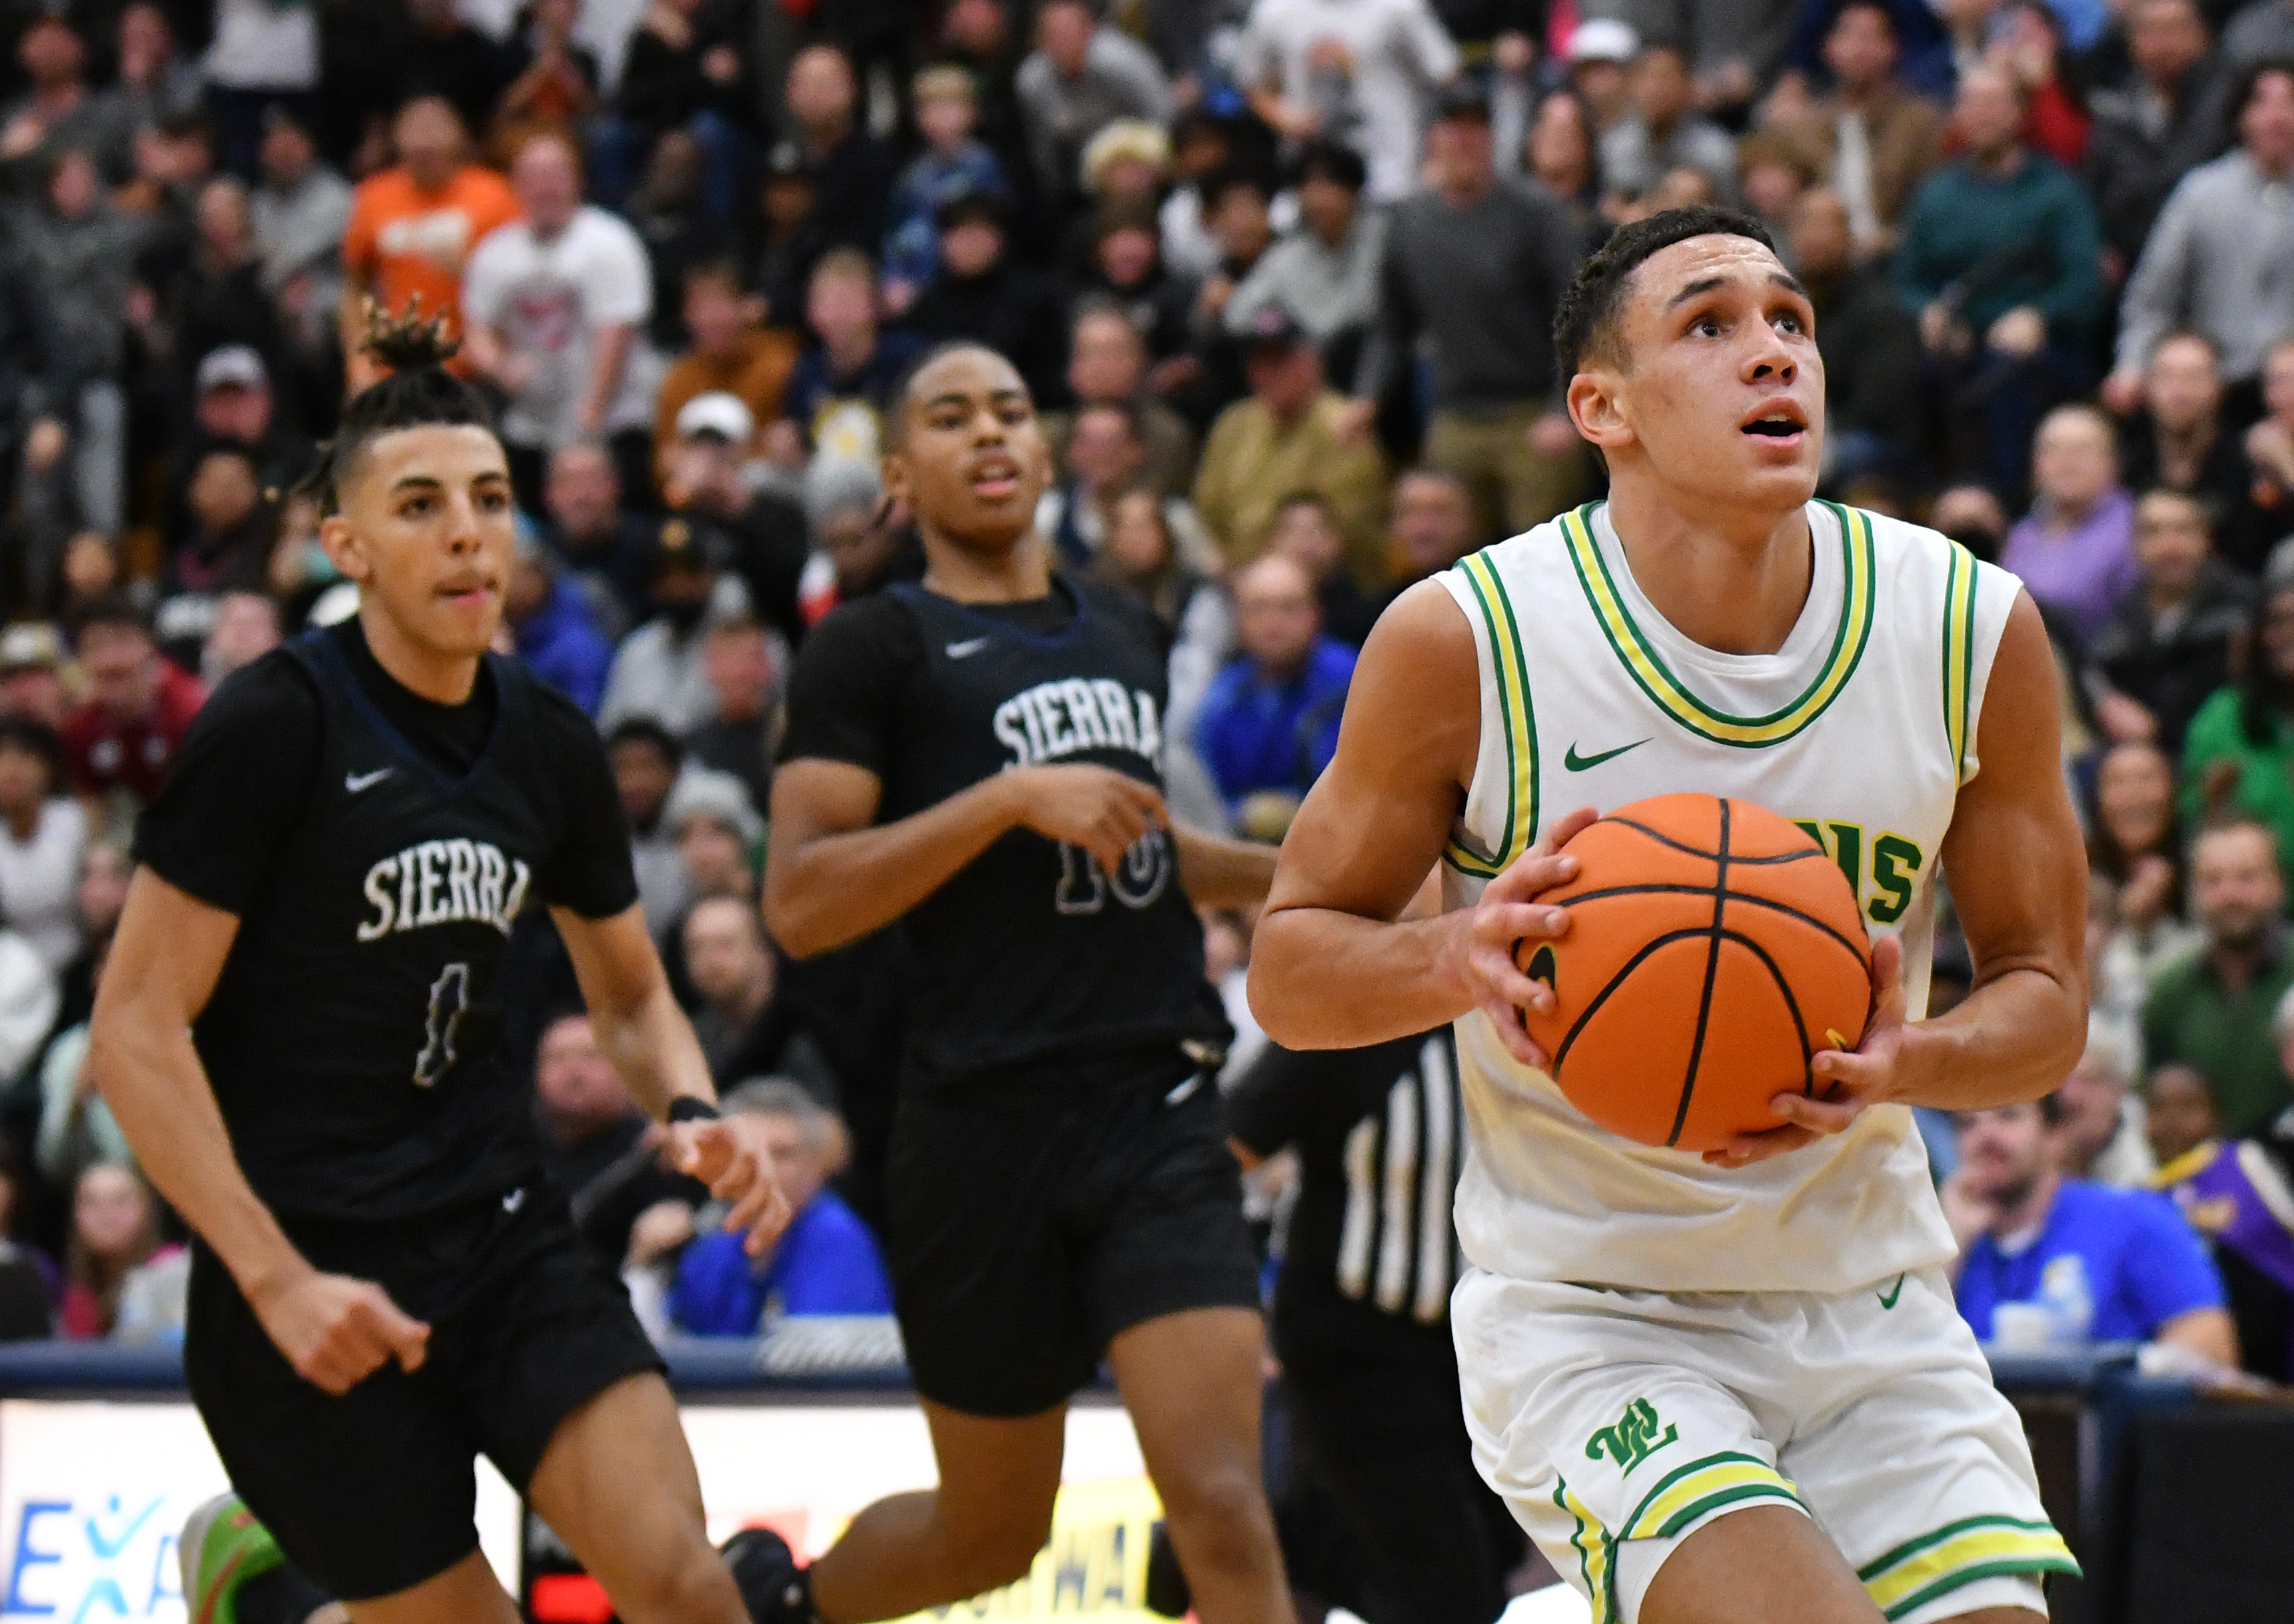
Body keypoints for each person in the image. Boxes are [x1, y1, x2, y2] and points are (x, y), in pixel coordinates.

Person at [1249, 206, 2088, 1624]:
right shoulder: (1469, 639)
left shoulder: (1964, 626)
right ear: (1601, 408)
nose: (1769, 353)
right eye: (1707, 324)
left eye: (1787, 321)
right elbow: (1286, 970)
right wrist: (1455, 951)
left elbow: (2044, 999)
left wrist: (1912, 1059)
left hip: (1868, 1302)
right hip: (1593, 1311)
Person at [88, 308, 796, 1624]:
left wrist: (690, 1105)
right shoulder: (274, 725)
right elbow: (132, 1032)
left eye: (488, 496)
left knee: (690, 1589)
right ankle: (268, 1593)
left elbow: (632, 991)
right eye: (418, 504)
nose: (467, 529)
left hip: (500, 1232)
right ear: (345, 545)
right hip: (302, 1264)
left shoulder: (550, 738)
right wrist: (274, 1275)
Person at [758, 340, 1291, 1624]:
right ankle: (782, 1606)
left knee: (1220, 1496)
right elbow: (799, 900)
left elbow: (1143, 845)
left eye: (1009, 410)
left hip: (1151, 1101)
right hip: (976, 1122)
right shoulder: (870, 649)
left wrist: (1292, 872)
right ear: (898, 471)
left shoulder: (1124, 624)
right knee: (991, 1534)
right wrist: (1000, 803)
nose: (988, 433)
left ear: (1047, 454)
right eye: (949, 417)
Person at [1226, 1025, 1526, 1624]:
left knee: (1491, 1559)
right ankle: (1287, 1550)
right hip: (1353, 1341)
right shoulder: (1354, 1020)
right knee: (1447, 1585)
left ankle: (1298, 1550)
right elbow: (1227, 1142)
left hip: (1475, 1352)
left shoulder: (1509, 1020)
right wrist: (1228, 1300)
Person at [1349, 82, 1588, 541]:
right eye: (1452, 128)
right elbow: (1392, 326)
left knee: (1538, 549)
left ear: (1490, 138)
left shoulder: (1537, 214)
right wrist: (1367, 396)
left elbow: (1578, 318)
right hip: (1454, 413)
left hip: (1529, 412)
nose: (1464, 140)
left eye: (1475, 128)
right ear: (1433, 138)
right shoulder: (1409, 224)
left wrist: (1561, 410)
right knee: (1449, 555)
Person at [1892, 65, 2104, 500]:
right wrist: (1927, 310)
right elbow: (1904, 281)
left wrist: (2039, 314)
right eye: (1970, 102)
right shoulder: (1936, 193)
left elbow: (2085, 283)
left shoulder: (2056, 192)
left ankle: (2006, 506)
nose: (1981, 114)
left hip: (2034, 349)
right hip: (1954, 340)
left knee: (2005, 379)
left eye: (1993, 103)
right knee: (1907, 378)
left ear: (2020, 113)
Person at [1944, 1098, 2235, 1360]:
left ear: (2054, 1135)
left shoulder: (2133, 1218)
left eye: (2008, 1116)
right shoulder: (1955, 1244)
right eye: (1967, 1124)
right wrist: (1950, 1242)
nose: (1986, 1136)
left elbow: (2211, 1348)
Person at [461, 132, 660, 506]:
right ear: (516, 185)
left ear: (576, 179)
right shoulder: (495, 253)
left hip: (612, 423)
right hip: (534, 423)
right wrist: (501, 365)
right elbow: (477, 331)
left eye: (555, 175)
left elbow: (615, 336)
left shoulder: (609, 243)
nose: (545, 188)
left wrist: (586, 425)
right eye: (533, 177)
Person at [2107, 61, 2294, 412]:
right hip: (2216, 381)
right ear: (2241, 117)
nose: (2278, 117)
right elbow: (2152, 300)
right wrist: (2131, 366)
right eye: (2262, 103)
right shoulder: (2202, 193)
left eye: (2289, 102)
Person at [670, 1079, 891, 1332]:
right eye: (755, 1154)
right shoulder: (714, 1248)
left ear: (817, 1164)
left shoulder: (838, 1240)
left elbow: (810, 1363)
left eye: (783, 1154)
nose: (768, 1171)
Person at [1193, 308, 1388, 587]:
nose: (1268, 374)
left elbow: (1347, 528)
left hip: (1327, 585)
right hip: (1240, 582)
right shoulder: (1234, 424)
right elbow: (1208, 510)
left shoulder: (1344, 425)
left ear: (1313, 363)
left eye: (1281, 362)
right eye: (1259, 363)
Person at [336, 97, 519, 391]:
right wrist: (358, 362)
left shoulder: (494, 194)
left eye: (436, 129)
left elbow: (522, 277)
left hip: (475, 369)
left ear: (458, 136)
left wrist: (471, 268)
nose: (425, 141)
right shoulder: (374, 196)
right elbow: (354, 288)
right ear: (397, 139)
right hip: (396, 371)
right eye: (415, 130)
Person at [2143, 817, 2294, 1136]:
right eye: (2213, 880)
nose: (2230, 895)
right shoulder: (2169, 993)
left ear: (2279, 884)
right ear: (2193, 892)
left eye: (2247, 878)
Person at [2149, 1059, 2294, 1380]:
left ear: (2215, 1116)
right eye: (2158, 1108)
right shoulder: (2141, 1193)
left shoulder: (2245, 1164)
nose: (2171, 1122)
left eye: (2188, 1108)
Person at [1235, 0, 1461, 203]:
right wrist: (1282, 116)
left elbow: (1448, 79)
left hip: (1394, 167)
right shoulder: (1275, 11)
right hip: (1311, 175)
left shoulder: (1400, 7)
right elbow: (1252, 81)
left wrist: (1439, 159)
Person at [1195, 554, 1357, 837]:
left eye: (1289, 607)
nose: (1274, 622)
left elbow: (1356, 794)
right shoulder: (1223, 694)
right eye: (1259, 608)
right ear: (1238, 618)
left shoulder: (1351, 680)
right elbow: (1208, 798)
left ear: (1315, 615)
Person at [532, 1010, 703, 1274]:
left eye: (591, 1056)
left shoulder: (656, 1153)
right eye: (558, 1059)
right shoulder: (516, 1157)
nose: (573, 1071)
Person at [1767, 2, 1946, 254]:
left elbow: (1933, 205)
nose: (1860, 48)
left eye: (1872, 37)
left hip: (1895, 256)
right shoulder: (1803, 127)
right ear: (1828, 48)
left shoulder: (1920, 122)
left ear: (1894, 48)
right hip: (1818, 257)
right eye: (1849, 35)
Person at [2083, 488, 2253, 754]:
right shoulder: (2117, 625)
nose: (2169, 546)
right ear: (2134, 544)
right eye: (2153, 532)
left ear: (2206, 539)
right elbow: (2095, 681)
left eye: (2183, 530)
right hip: (2145, 761)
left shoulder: (2243, 613)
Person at [2081, 0, 2234, 277]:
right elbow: (2097, 189)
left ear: (2203, 36)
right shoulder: (2116, 106)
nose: (2163, 44)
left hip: (2219, 257)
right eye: (2150, 31)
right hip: (2136, 260)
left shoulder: (2229, 102)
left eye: (2174, 30)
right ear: (2131, 42)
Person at [1788, 187, 1923, 486]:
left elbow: (1880, 407)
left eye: (1824, 226)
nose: (1813, 238)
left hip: (1872, 441)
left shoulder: (1879, 308)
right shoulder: (1783, 307)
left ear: (1849, 237)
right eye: (1804, 224)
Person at [1224, 140, 1387, 375]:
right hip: (1314, 371)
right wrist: (1280, 325)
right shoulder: (1288, 254)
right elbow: (1237, 316)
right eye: (1306, 187)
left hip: (1377, 361)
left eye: (1327, 185)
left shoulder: (1383, 239)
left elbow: (1364, 309)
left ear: (1353, 191)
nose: (1316, 198)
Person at [1013, 0, 1172, 216]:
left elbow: (1162, 113)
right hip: (1081, 172)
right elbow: (1043, 148)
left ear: (1090, 31)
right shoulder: (1032, 82)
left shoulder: (1122, 62)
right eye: (1053, 36)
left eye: (1070, 33)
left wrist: (1157, 167)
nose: (1063, 43)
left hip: (1140, 155)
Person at [652, 260, 800, 490]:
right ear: (687, 316)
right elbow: (664, 458)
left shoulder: (779, 363)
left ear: (746, 308)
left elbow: (787, 444)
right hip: (697, 493)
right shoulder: (680, 378)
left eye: (722, 305)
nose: (713, 319)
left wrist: (738, 459)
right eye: (702, 308)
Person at [60, 596, 205, 830]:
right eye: (96, 646)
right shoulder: (80, 728)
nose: (110, 661)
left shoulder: (190, 713)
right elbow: (93, 814)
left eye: (122, 643)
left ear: (151, 653)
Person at [2114, 332, 2259, 566]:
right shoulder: (2123, 463)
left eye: (2194, 377)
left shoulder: (2247, 464)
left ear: (2218, 387)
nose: (2179, 389)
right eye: (2167, 376)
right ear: (2148, 386)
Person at [1998, 406, 2138, 645]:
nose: (2066, 463)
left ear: (2112, 463)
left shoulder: (2136, 531)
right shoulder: (2022, 533)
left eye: (2081, 451)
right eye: (2052, 450)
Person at [2182, 570, 2294, 866]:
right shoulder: (2222, 718)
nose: (2291, 633)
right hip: (2245, 898)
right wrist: (2210, 803)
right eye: (2279, 622)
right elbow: (2190, 818)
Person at [881, 63, 1010, 312]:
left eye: (951, 106)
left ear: (972, 112)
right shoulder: (913, 176)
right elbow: (898, 234)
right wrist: (894, 279)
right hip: (918, 286)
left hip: (965, 284)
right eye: (931, 107)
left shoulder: (984, 167)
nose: (941, 116)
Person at [1045, 300, 1197, 498]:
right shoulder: (1048, 437)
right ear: (1072, 366)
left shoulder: (1168, 438)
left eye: (1115, 352)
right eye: (1091, 353)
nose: (1102, 365)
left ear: (1141, 361)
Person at [0, 717, 88, 977]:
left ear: (47, 767)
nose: (10, 769)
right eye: (1, 758)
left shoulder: (75, 822)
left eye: (23, 756)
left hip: (78, 963)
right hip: (13, 973)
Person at [1602, 42, 1741, 204]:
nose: (1656, 88)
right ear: (1631, 86)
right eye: (1648, 77)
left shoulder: (1717, 154)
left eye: (1667, 77)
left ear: (1688, 85)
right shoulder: (1615, 146)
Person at [504, 524, 614, 715]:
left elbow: (578, 727)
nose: (499, 586)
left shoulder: (579, 647)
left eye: (510, 573)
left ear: (537, 575)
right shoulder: (510, 631)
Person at [59, 1163, 176, 1340]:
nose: (105, 1215)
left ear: (147, 1210)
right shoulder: (78, 1294)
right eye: (91, 1202)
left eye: (120, 1201)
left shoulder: (172, 1270)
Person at [2047, 1024, 2155, 1186]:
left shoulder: (2138, 1172)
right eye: (2061, 1079)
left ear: (2119, 1089)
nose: (2069, 1096)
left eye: (2089, 1080)